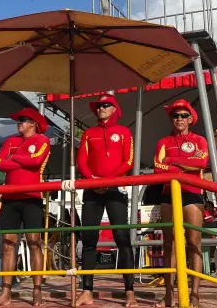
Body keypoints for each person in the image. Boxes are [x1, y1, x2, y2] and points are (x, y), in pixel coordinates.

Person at [75, 94, 137, 308]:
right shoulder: (88, 133)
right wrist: (93, 181)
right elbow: (81, 160)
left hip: (115, 189)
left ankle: (129, 291)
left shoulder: (124, 132)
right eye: (99, 106)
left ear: (114, 109)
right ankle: (87, 291)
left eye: (105, 105)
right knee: (89, 240)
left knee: (122, 238)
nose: (101, 108)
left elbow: (128, 161)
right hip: (91, 189)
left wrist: (108, 181)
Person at [0, 107, 51, 307]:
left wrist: (13, 158)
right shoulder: (10, 141)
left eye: (23, 120)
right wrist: (22, 162)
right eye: (19, 120)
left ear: (33, 123)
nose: (19, 123)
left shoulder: (42, 140)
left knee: (34, 243)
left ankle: (37, 290)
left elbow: (37, 161)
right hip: (10, 198)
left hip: (32, 197)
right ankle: (5, 292)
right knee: (7, 245)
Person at [153, 99, 208, 308]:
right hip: (168, 193)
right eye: (175, 115)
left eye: (184, 115)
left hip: (192, 193)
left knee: (194, 242)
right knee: (169, 244)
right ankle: (169, 294)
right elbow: (157, 168)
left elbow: (201, 163)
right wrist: (186, 165)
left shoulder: (199, 140)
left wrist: (172, 162)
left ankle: (195, 294)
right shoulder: (163, 141)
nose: (179, 119)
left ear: (191, 119)